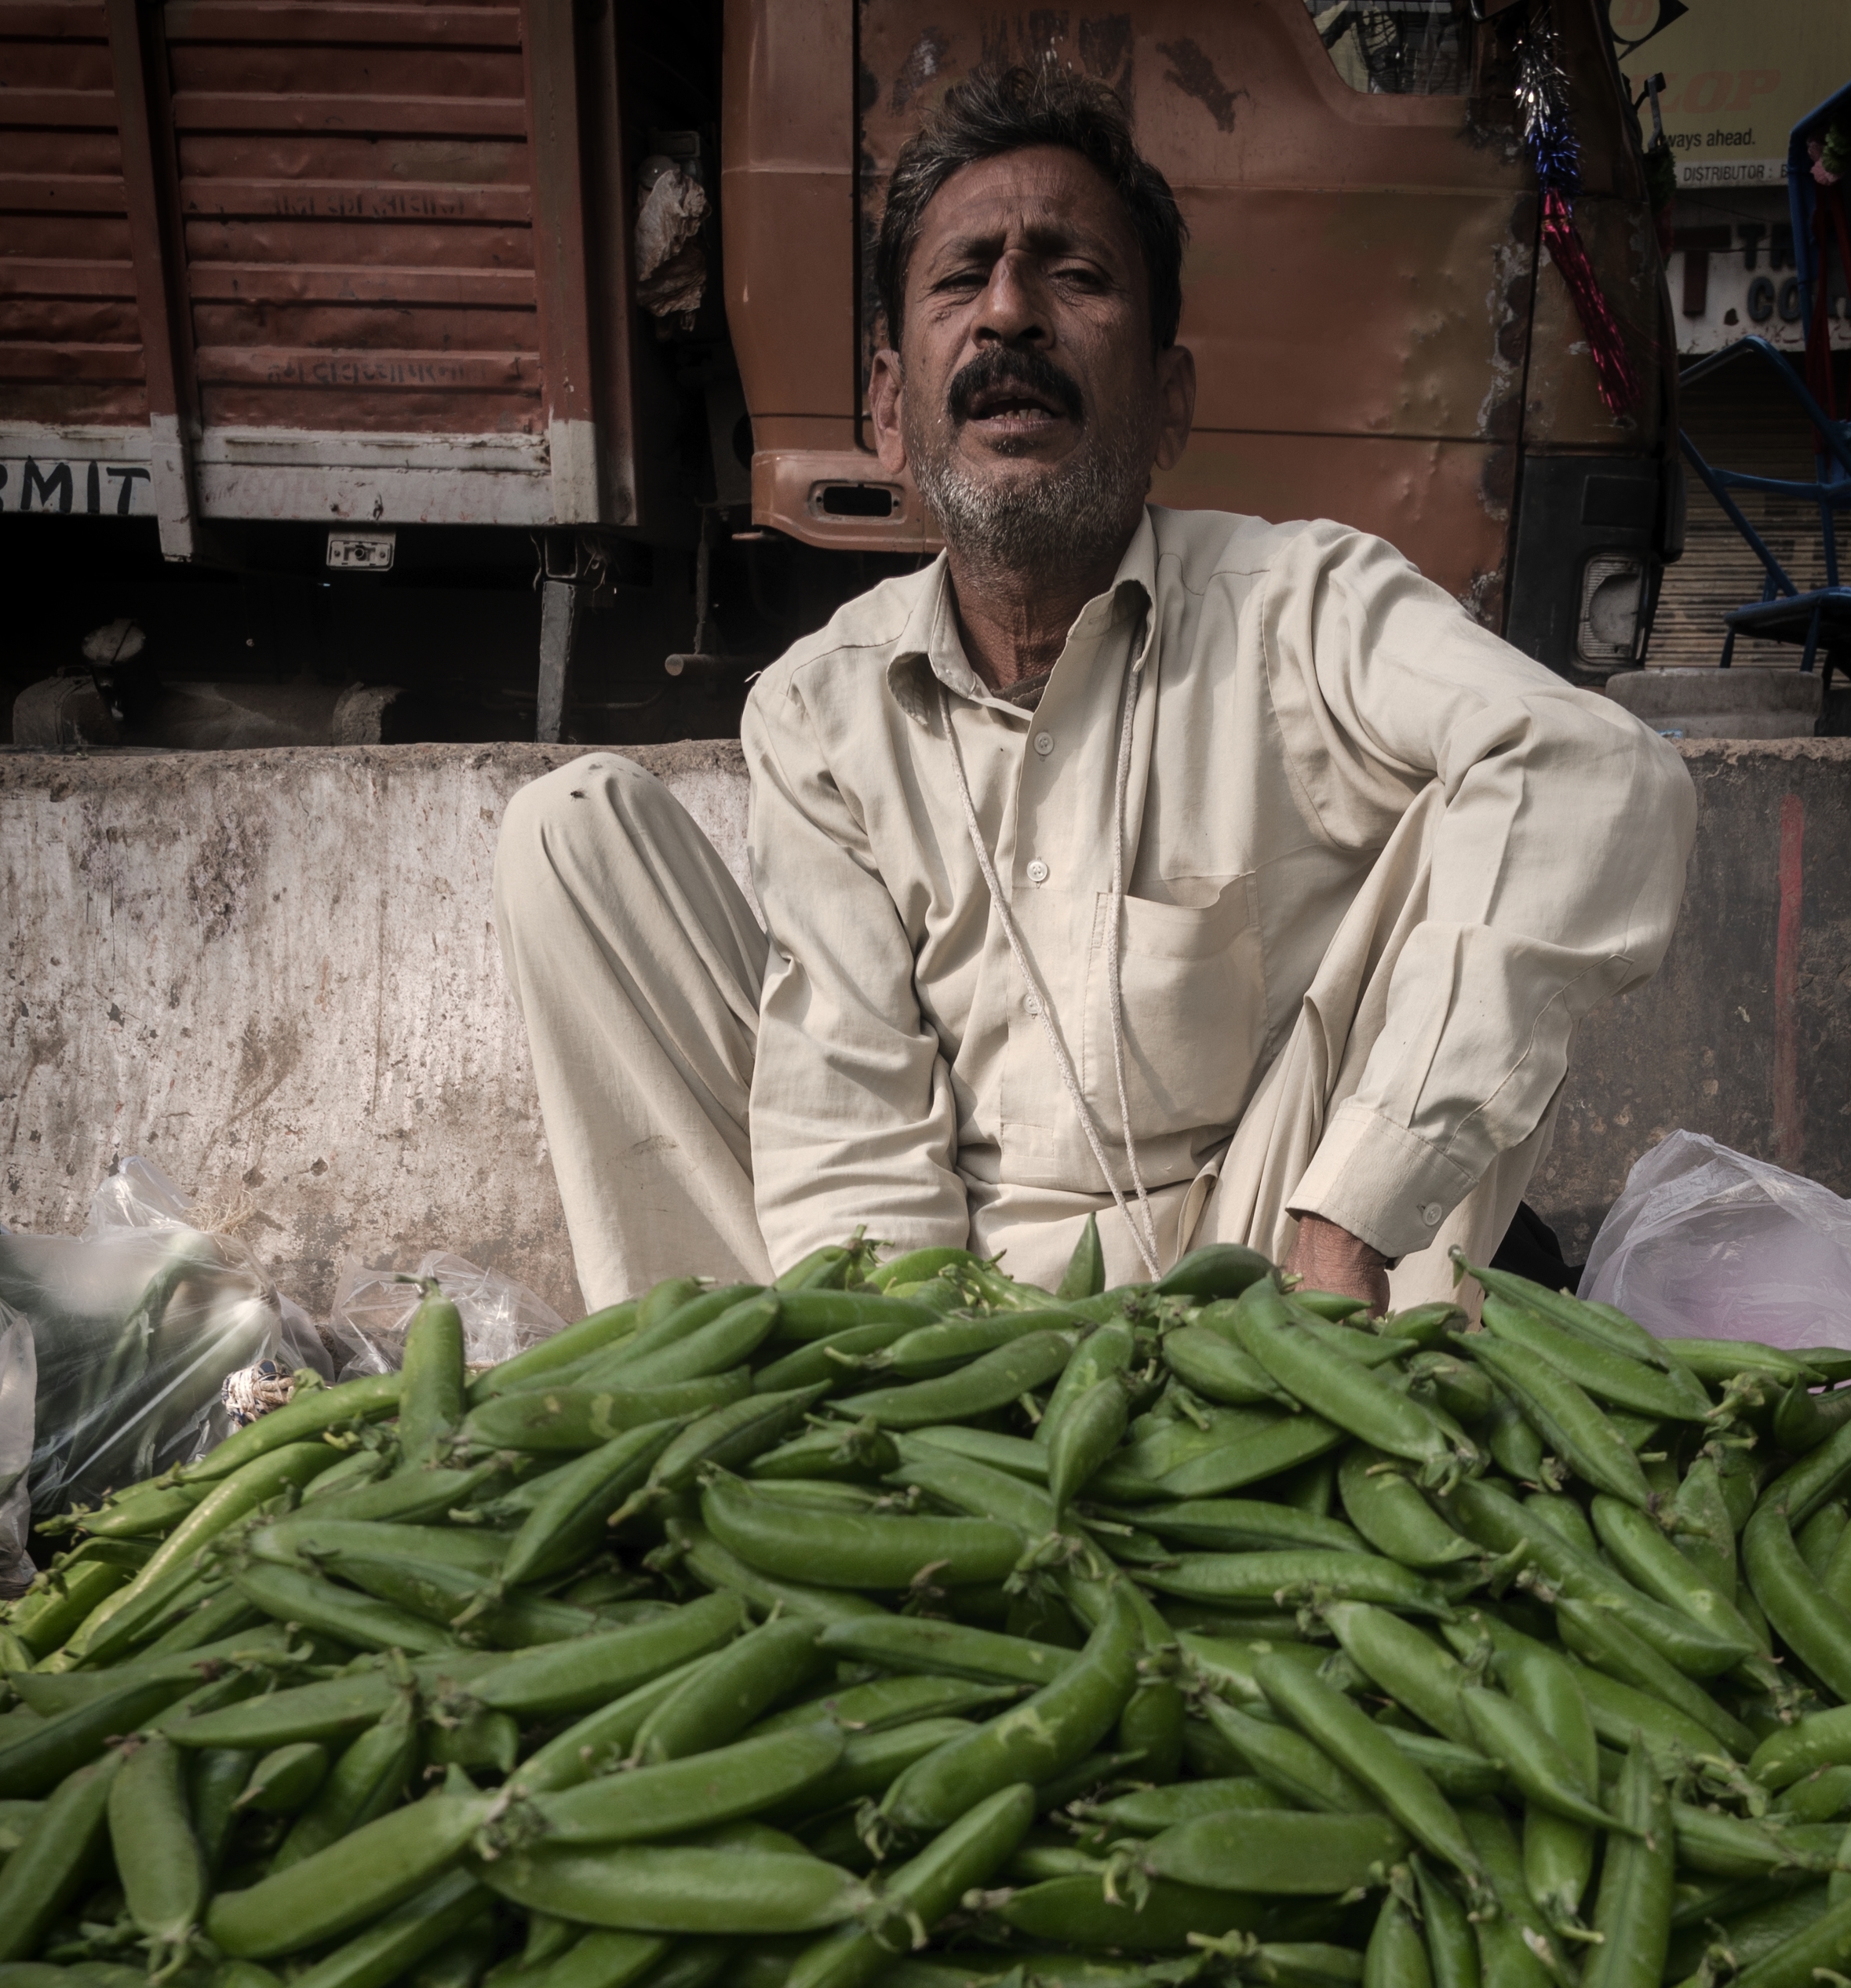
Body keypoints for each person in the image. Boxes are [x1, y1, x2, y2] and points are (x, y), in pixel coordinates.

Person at [495, 64, 1694, 1313]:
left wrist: (1354, 1209)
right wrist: (927, 1389)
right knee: (569, 838)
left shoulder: (1301, 603)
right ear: (890, 409)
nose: (1008, 314)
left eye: (1074, 276)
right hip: (950, 1317)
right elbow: (851, 1126)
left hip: (1265, 1279)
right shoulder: (820, 710)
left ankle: (1334, 1374)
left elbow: (1602, 775)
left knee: (1510, 786)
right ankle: (802, 1424)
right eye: (961, 280)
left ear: (1169, 404)